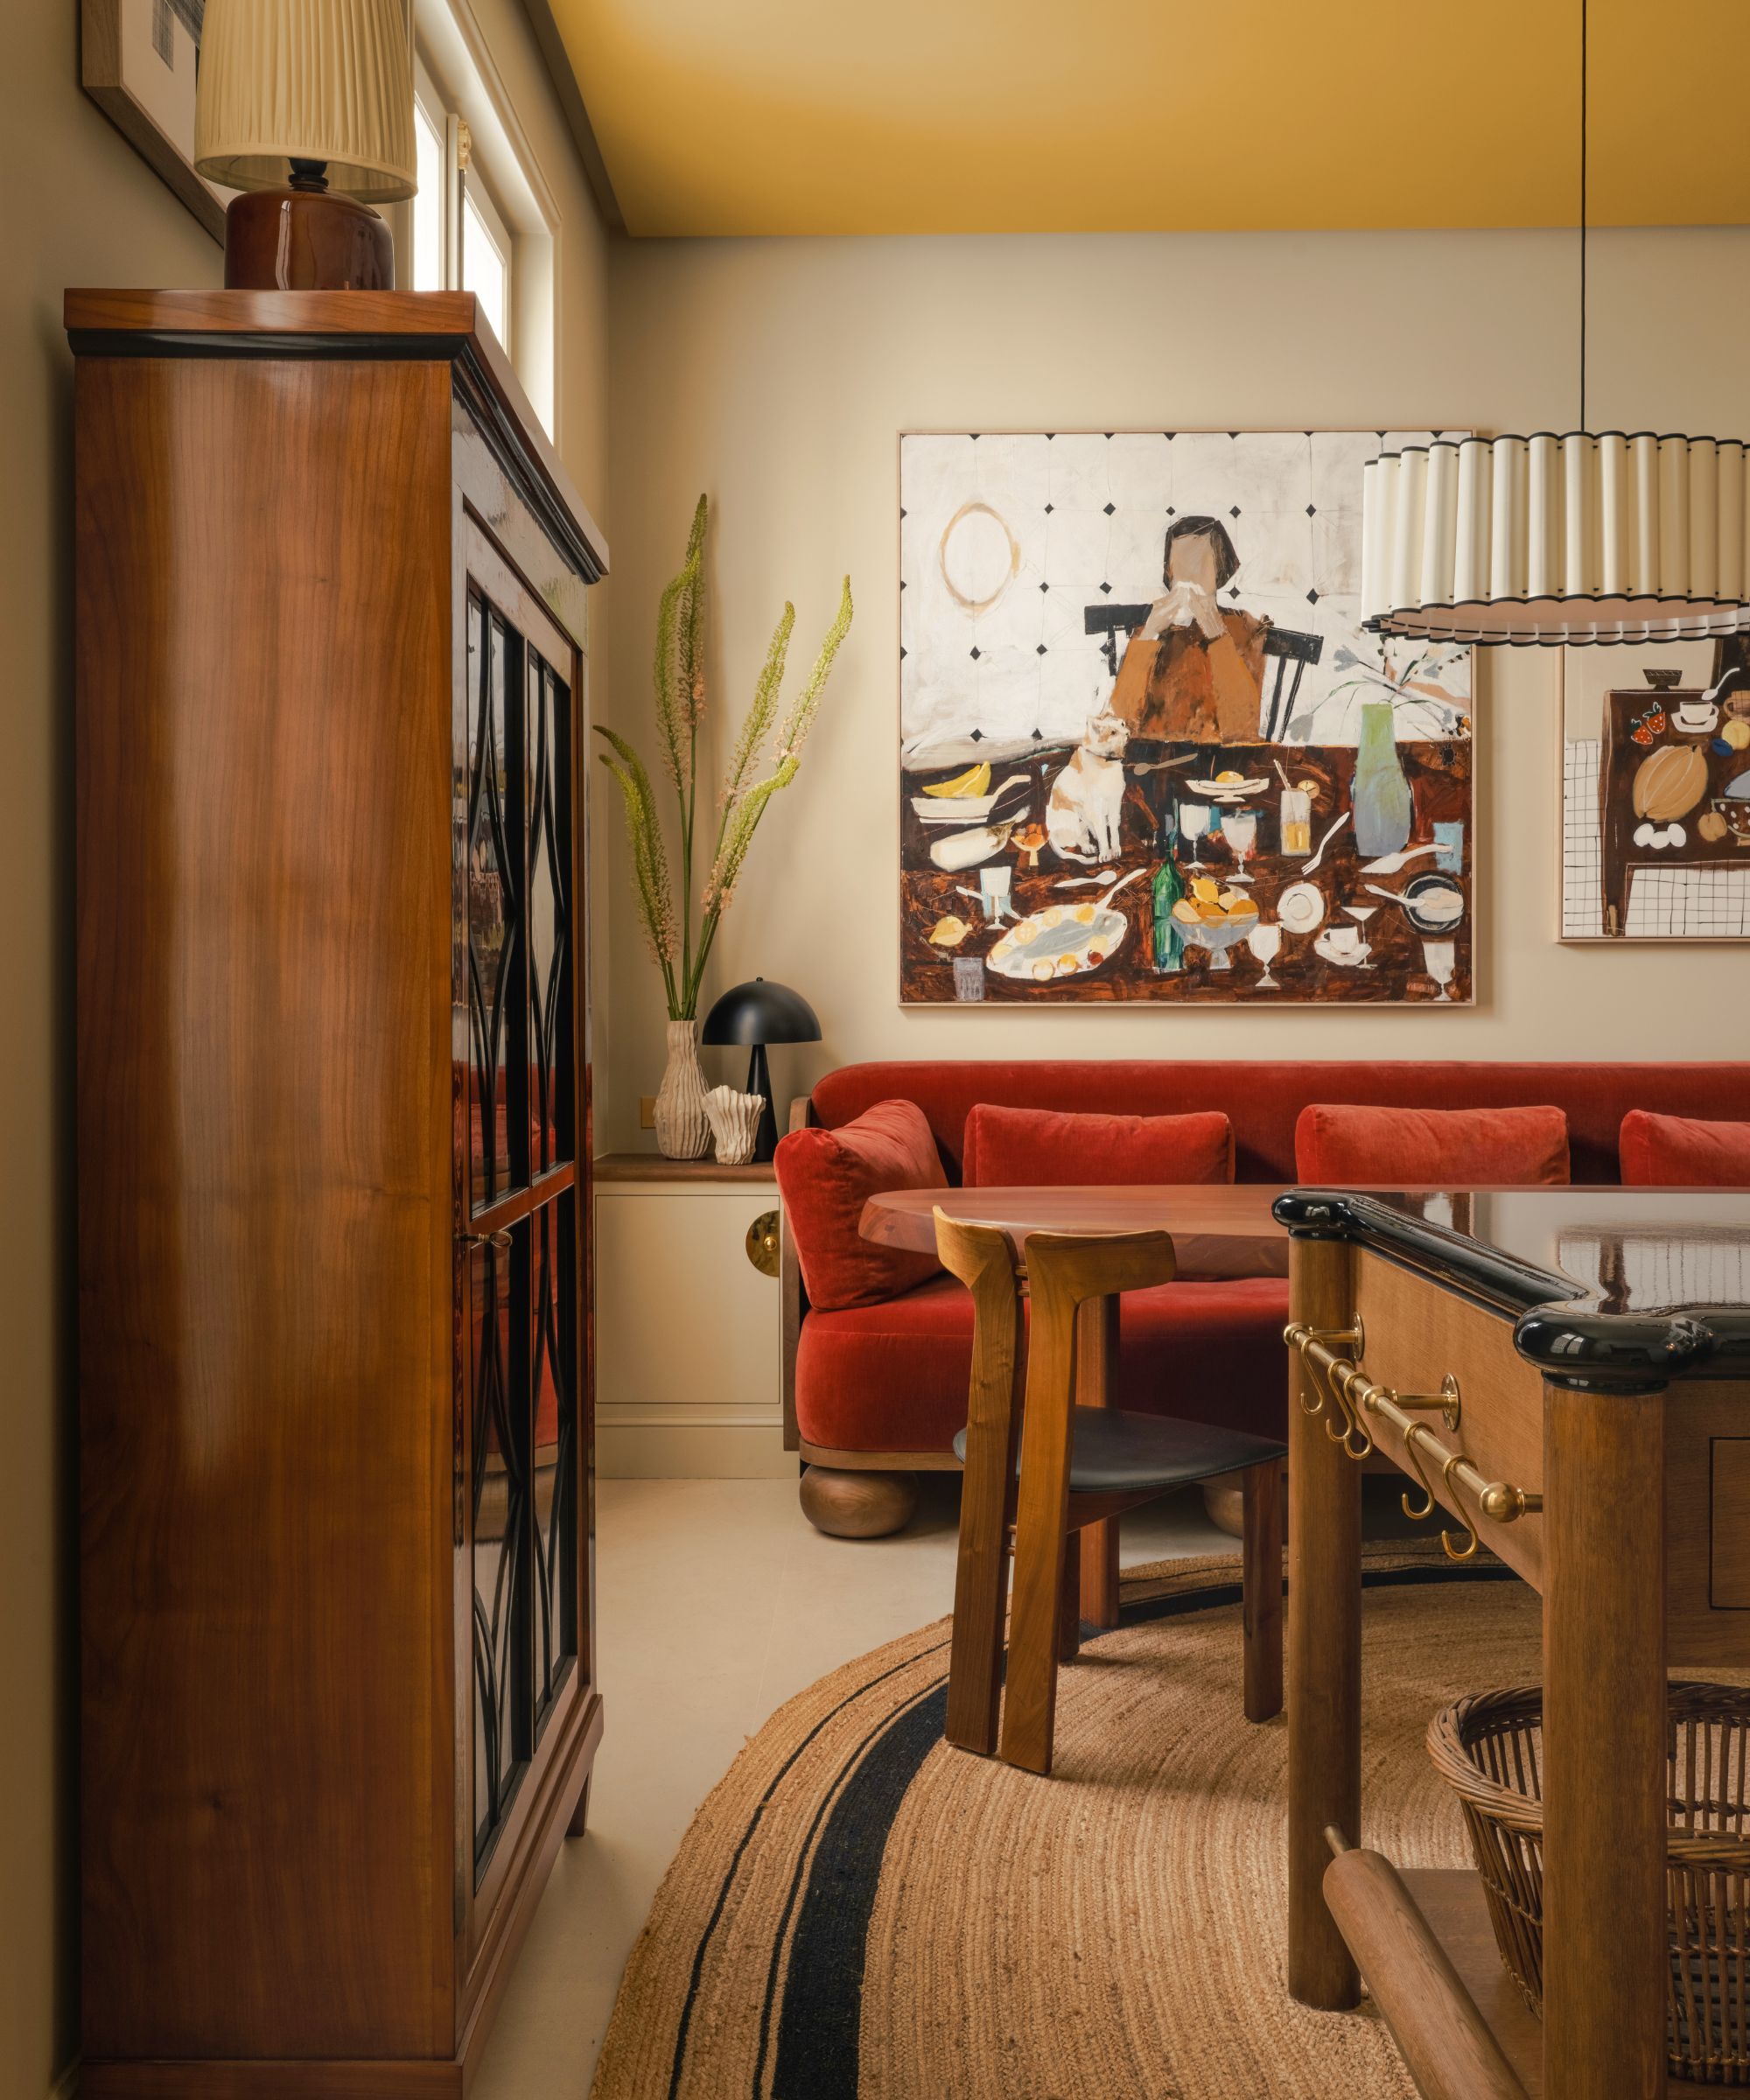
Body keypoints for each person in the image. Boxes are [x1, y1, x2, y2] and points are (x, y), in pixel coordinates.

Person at [1110, 515, 1270, 742]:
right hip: (1154, 754)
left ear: (1220, 569)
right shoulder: (1152, 630)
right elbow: (1119, 721)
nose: (1190, 578)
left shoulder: (1243, 628)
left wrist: (1218, 635)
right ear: (1170, 572)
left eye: (1200, 566)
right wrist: (1148, 635)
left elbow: (1242, 730)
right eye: (1181, 568)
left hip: (1217, 757)